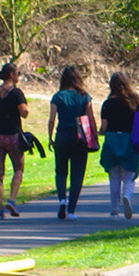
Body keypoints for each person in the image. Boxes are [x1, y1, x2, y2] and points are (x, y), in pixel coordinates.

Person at [99, 71, 139, 219]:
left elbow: (103, 128)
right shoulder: (134, 101)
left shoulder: (107, 104)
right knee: (129, 176)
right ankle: (127, 195)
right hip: (129, 141)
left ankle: (114, 209)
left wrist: (100, 132)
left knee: (114, 178)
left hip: (112, 141)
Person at [46, 66, 95, 220]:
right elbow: (90, 117)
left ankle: (61, 199)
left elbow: (52, 119)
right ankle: (72, 210)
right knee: (77, 173)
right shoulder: (84, 96)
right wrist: (94, 135)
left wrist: (50, 138)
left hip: (62, 135)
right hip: (79, 137)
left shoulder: (58, 97)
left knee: (60, 171)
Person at [0, 62, 27, 219]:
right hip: (12, 135)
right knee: (18, 168)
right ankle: (11, 199)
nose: (18, 76)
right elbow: (23, 112)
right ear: (11, 74)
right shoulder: (16, 93)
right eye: (17, 73)